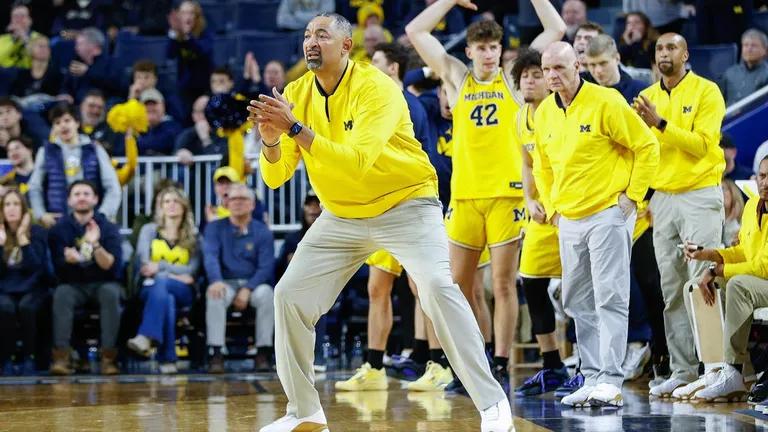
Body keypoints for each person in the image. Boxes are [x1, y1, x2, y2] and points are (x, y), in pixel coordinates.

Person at [250, 12, 513, 432]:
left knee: (437, 288)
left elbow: (356, 163)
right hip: (343, 214)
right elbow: (276, 177)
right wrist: (269, 139)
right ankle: (305, 413)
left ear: (346, 46)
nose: (310, 42)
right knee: (289, 295)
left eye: (321, 34)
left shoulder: (377, 88)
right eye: (306, 35)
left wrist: (294, 128)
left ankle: (492, 405)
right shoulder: (296, 93)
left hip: (405, 204)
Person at [406, 0, 565, 392]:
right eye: (482, 48)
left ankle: (500, 362)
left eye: (494, 47)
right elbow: (415, 32)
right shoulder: (457, 77)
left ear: (500, 50)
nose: (489, 54)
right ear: (470, 51)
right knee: (457, 287)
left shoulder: (511, 80)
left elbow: (556, 31)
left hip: (506, 197)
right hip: (465, 197)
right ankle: (474, 360)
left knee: (504, 283)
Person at [533, 42, 659, 407]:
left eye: (560, 67)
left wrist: (632, 196)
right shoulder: (544, 113)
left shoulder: (606, 101)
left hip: (607, 212)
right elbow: (541, 165)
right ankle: (589, 376)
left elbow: (647, 145)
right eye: (547, 70)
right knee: (576, 299)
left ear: (578, 65)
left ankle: (612, 379)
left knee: (610, 296)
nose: (552, 75)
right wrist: (553, 207)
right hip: (568, 217)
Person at [334, 41, 439, 392]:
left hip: (409, 202)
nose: (368, 69)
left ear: (393, 67)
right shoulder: (368, 102)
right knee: (377, 286)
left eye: (375, 62)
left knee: (422, 285)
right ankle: (374, 366)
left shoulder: (406, 103)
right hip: (379, 205)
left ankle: (436, 364)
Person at [633, 33, 728, 400]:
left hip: (699, 194)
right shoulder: (647, 98)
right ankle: (683, 369)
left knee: (701, 282)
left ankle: (717, 368)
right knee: (671, 288)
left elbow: (703, 146)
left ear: (686, 54)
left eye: (671, 47)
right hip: (664, 199)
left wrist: (660, 125)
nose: (664, 53)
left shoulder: (707, 91)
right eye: (659, 48)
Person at [585, 34, 668, 382]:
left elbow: (650, 146)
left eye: (603, 63)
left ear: (616, 57)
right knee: (610, 283)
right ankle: (622, 350)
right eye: (591, 66)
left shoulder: (641, 91)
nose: (599, 71)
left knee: (651, 279)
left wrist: (641, 195)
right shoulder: (586, 94)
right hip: (604, 201)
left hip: (642, 199)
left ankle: (661, 350)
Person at [508, 48, 572, 397]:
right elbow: (528, 165)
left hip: (569, 212)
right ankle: (553, 366)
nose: (530, 81)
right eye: (525, 76)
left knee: (579, 292)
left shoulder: (558, 113)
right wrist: (529, 199)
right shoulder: (521, 118)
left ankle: (586, 367)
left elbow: (567, 165)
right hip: (541, 214)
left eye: (537, 74)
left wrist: (558, 204)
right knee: (531, 283)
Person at [680, 156, 768, 402]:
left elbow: (764, 266)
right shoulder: (753, 206)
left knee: (738, 284)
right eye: (762, 176)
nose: (766, 182)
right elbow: (744, 252)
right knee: (695, 286)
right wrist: (708, 255)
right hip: (759, 278)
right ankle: (715, 368)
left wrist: (718, 270)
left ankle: (733, 369)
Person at [48, 180, 123, 376]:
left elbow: (112, 267)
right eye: (77, 194)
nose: (81, 197)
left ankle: (108, 358)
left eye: (86, 193)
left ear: (96, 199)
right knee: (62, 294)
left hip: (103, 282)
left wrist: (96, 245)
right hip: (73, 284)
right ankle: (62, 357)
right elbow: (55, 269)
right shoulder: (59, 229)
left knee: (111, 293)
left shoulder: (108, 227)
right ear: (69, 200)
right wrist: (67, 261)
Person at [203, 183, 275, 373]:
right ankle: (216, 353)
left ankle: (263, 352)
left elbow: (266, 267)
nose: (237, 203)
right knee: (215, 294)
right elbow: (210, 257)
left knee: (268, 295)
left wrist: (248, 288)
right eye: (233, 198)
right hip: (225, 282)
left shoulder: (263, 231)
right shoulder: (214, 228)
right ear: (226, 203)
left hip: (254, 285)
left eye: (243, 199)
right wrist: (216, 280)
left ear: (252, 204)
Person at [127, 187, 199, 374]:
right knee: (167, 299)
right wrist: (174, 273)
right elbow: (145, 264)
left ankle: (146, 337)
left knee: (161, 281)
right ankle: (167, 359)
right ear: (160, 207)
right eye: (166, 201)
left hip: (184, 290)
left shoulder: (194, 235)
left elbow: (191, 271)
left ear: (184, 206)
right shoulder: (149, 230)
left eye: (176, 201)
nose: (171, 205)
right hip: (150, 289)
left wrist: (160, 268)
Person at [28, 104, 121, 228]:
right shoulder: (45, 151)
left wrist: (103, 214)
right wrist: (41, 214)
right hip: (57, 222)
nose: (63, 125)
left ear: (77, 123)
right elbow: (34, 187)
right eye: (57, 122)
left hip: (92, 221)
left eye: (67, 120)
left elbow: (112, 186)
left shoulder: (95, 149)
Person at [0, 189, 49, 375]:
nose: (11, 208)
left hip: (33, 287)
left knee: (27, 307)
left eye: (16, 204)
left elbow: (37, 268)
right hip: (4, 289)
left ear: (24, 209)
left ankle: (30, 357)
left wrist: (22, 239)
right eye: (7, 204)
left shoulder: (37, 232)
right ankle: (6, 358)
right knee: (5, 308)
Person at [167, 0, 214, 110]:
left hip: (204, 85)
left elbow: (202, 51)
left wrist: (187, 35)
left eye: (191, 13)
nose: (187, 17)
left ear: (197, 16)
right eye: (183, 13)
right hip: (185, 87)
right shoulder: (177, 35)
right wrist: (174, 35)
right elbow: (170, 54)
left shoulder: (206, 33)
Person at [721, 29, 768, 105]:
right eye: (745, 45)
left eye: (754, 46)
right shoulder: (730, 73)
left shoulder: (766, 74)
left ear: (765, 50)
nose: (749, 49)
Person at [9, 34, 64, 99]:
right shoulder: (21, 75)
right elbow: (14, 97)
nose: (44, 48)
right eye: (40, 46)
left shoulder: (57, 75)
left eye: (47, 46)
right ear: (30, 50)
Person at [136, 88, 183, 156]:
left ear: (163, 105)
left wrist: (139, 141)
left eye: (154, 104)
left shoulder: (172, 126)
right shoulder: (139, 128)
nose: (150, 107)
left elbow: (161, 143)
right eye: (146, 104)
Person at [0, 3, 41, 69]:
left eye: (22, 16)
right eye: (15, 16)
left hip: (28, 75)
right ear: (11, 20)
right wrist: (14, 40)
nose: (18, 20)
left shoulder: (39, 38)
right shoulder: (2, 39)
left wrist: (24, 38)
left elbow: (40, 59)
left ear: (30, 20)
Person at [722, 178, 744, 247]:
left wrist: (730, 222)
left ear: (733, 193)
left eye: (723, 189)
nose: (720, 192)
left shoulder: (743, 223)